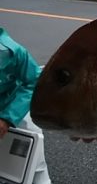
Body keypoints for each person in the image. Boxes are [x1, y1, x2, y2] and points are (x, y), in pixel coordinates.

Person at [0, 28, 51, 184]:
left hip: (16, 109)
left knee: (34, 161)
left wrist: (7, 118)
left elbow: (34, 80)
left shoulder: (11, 51)